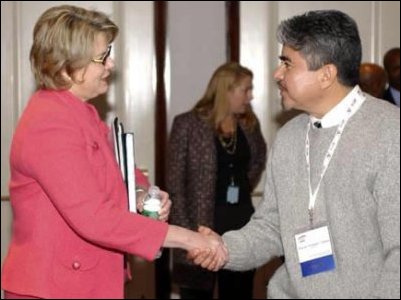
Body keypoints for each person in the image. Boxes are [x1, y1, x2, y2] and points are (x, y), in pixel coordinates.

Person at [0, 5, 226, 299]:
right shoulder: (49, 124)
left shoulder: (82, 113)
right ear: (67, 65)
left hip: (84, 281)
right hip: (54, 288)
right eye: (102, 57)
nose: (111, 64)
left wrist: (144, 195)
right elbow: (95, 217)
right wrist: (190, 239)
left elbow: (122, 173)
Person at [191, 10, 400, 299]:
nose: (277, 74)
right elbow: (272, 226)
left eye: (287, 64)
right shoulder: (289, 136)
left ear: (326, 74)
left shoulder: (390, 132)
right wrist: (224, 249)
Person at [167, 62, 267, 299]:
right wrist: (187, 234)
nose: (250, 96)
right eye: (246, 89)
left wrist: (240, 187)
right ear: (227, 90)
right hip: (200, 226)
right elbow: (174, 184)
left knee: (239, 292)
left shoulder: (249, 124)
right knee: (196, 293)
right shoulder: (187, 125)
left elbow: (257, 160)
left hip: (241, 223)